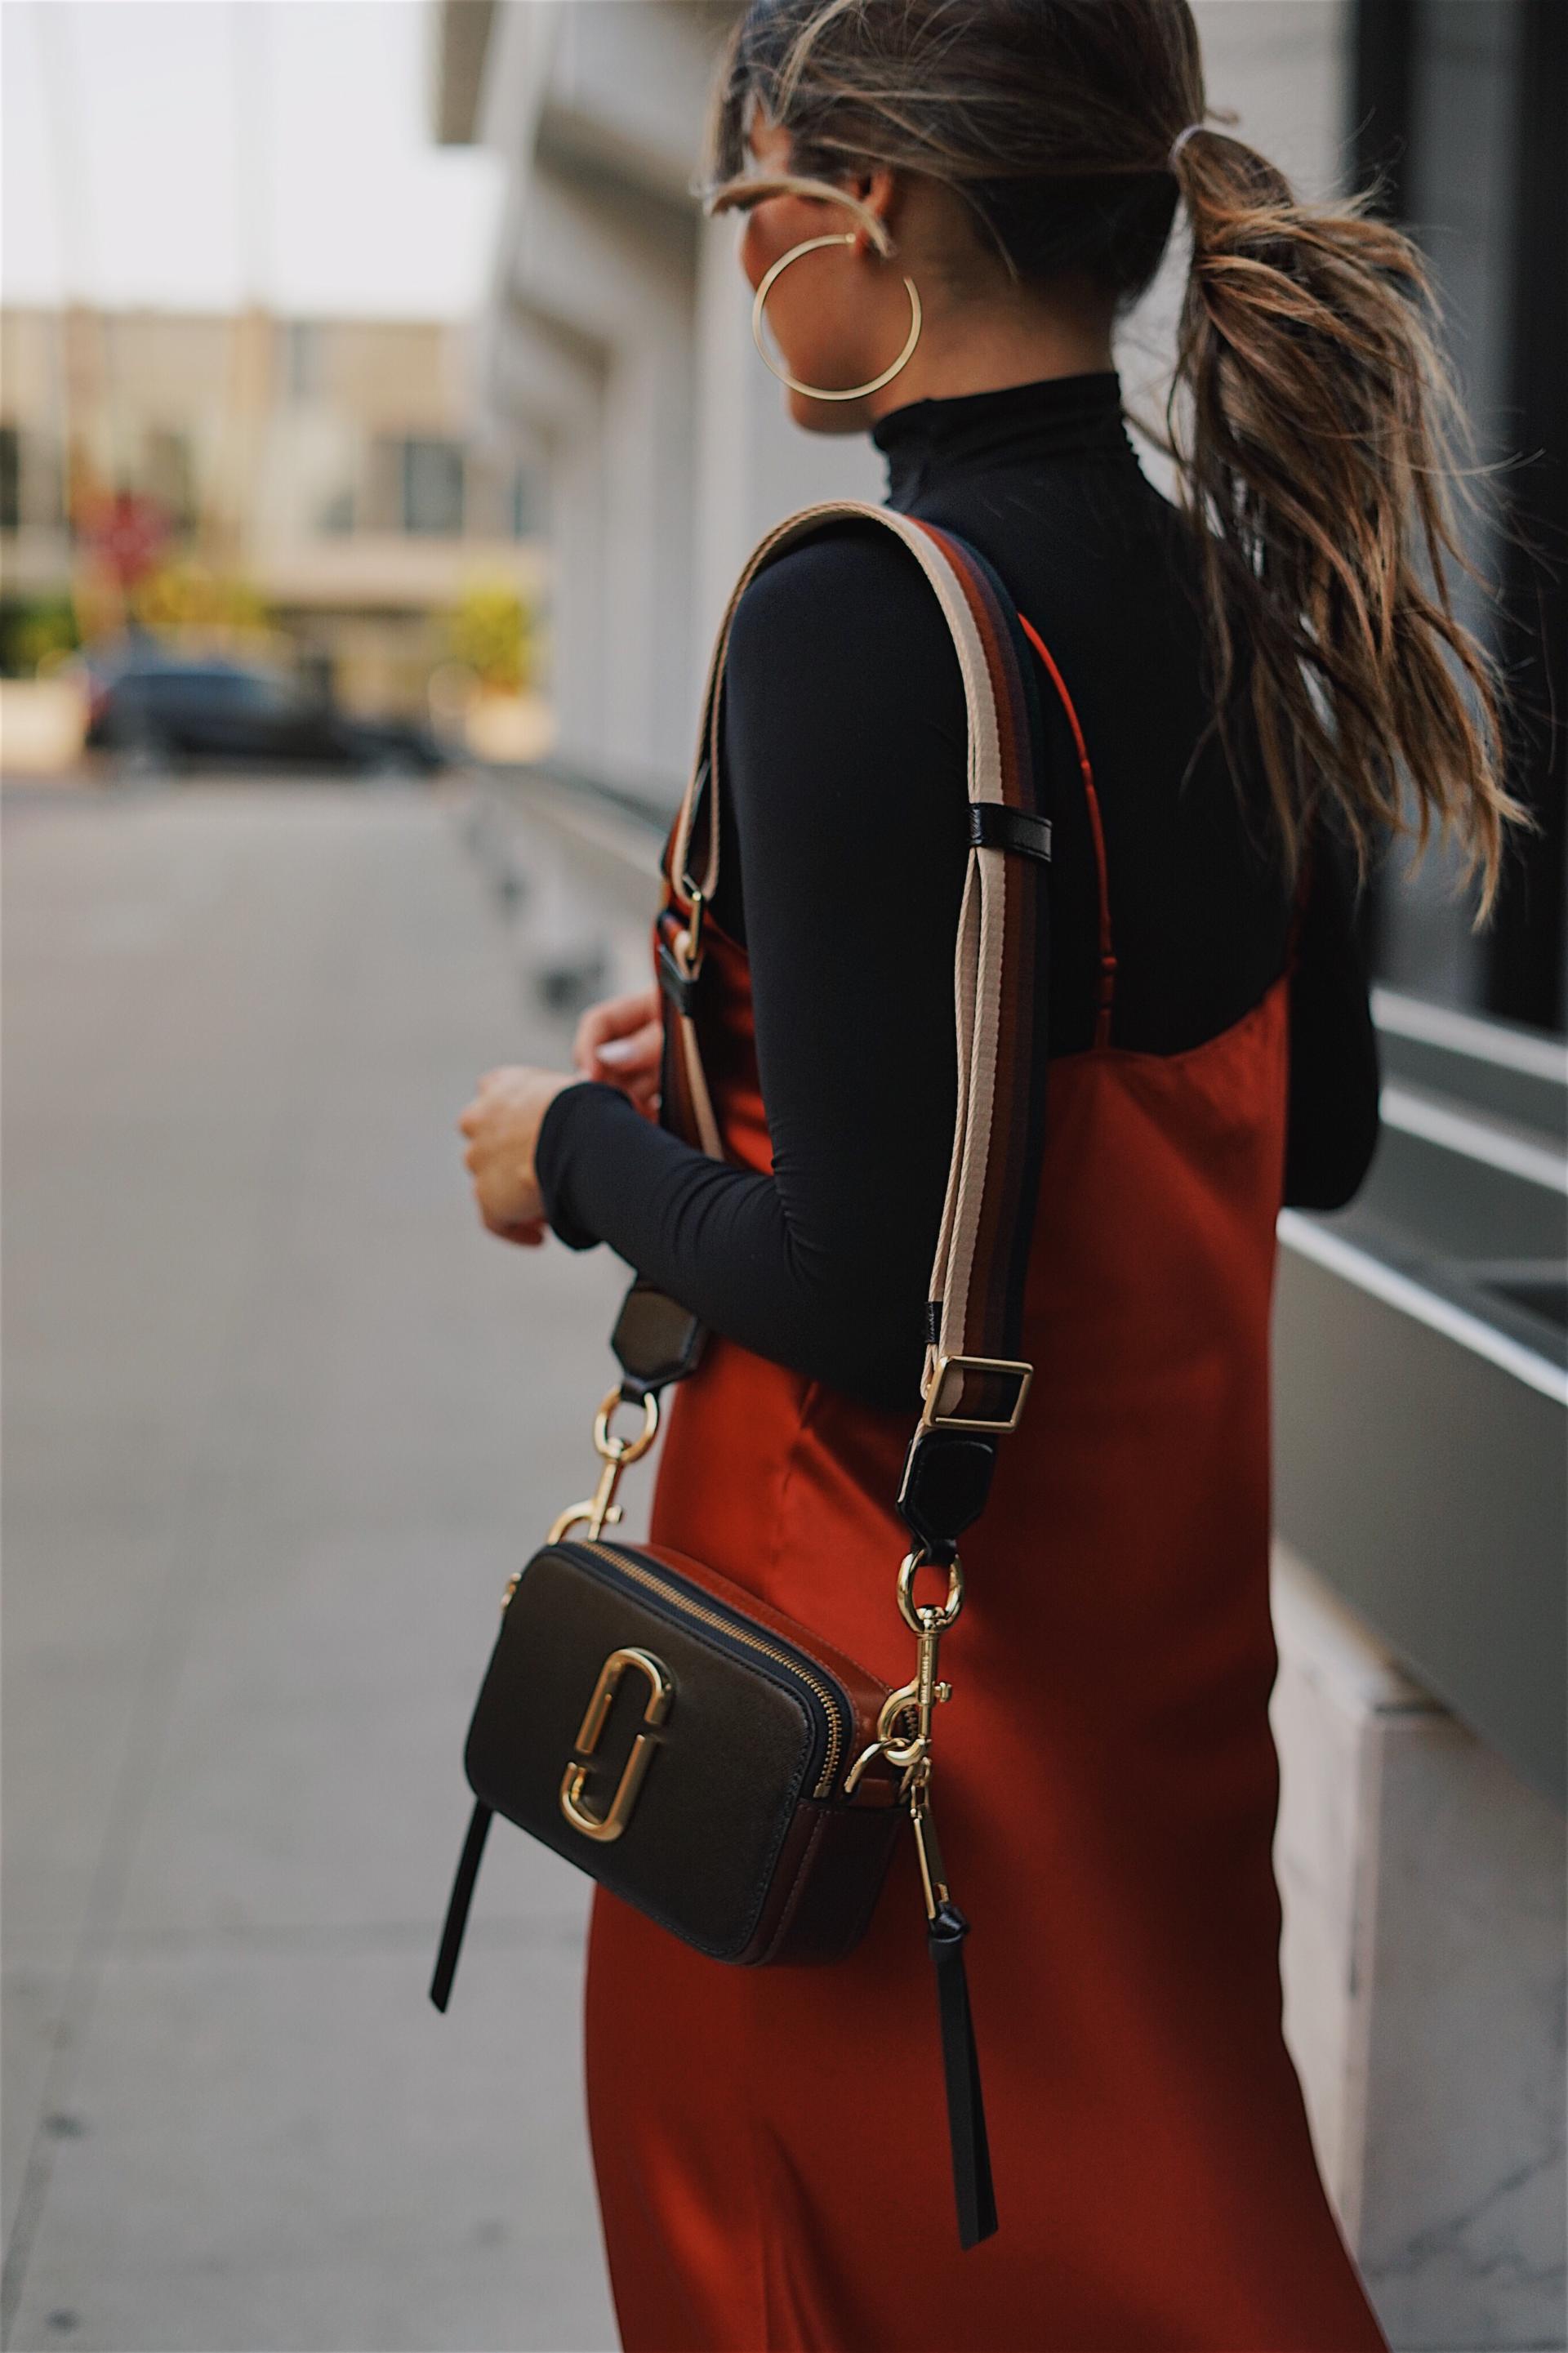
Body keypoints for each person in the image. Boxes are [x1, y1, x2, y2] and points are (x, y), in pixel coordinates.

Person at [457, 3, 1520, 2345]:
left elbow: (859, 1292)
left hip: (867, 1704)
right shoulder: (1245, 581)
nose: (746, 258)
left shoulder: (857, 617)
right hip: (1141, 1696)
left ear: (885, 203)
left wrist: (583, 1145)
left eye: (752, 204)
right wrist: (764, 1078)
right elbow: (1299, 1127)